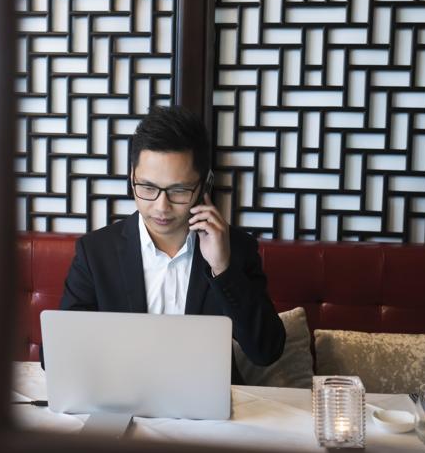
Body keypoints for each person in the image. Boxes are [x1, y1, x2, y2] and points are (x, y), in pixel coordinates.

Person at [58, 105, 285, 384]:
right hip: (122, 400)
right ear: (132, 177)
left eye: (178, 191)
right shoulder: (95, 252)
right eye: (148, 188)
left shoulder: (235, 248)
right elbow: (57, 355)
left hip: (207, 412)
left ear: (204, 185)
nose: (161, 207)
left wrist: (223, 269)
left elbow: (266, 351)